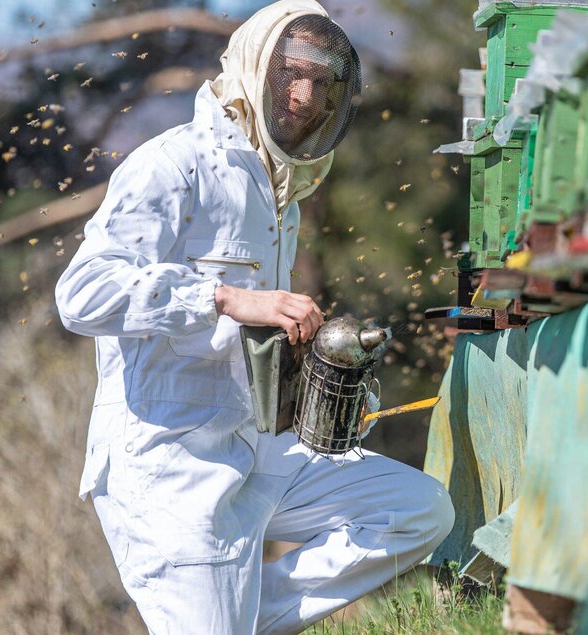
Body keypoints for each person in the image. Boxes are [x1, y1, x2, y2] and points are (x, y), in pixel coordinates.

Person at [54, 2, 455, 632]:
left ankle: (229, 618)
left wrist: (310, 361)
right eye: (291, 74)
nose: (303, 95)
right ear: (252, 68)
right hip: (168, 471)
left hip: (254, 449)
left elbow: (247, 341)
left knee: (415, 509)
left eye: (323, 83)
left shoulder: (281, 194)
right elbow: (82, 295)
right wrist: (224, 298)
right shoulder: (172, 164)